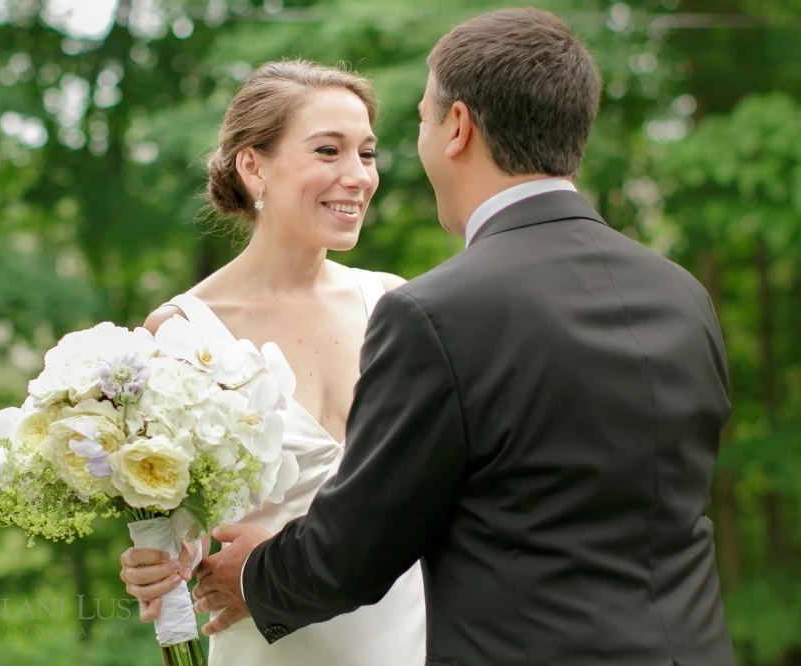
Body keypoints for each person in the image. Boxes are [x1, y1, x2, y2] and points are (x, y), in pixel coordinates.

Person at [192, 8, 737, 666]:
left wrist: (253, 576)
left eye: (420, 119)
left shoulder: (435, 313)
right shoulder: (680, 295)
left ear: (457, 127)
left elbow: (354, 551)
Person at [117, 60, 427, 665]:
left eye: (366, 153)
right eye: (328, 150)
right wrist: (158, 563)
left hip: (412, 633)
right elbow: (175, 522)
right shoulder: (180, 333)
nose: (357, 176)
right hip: (268, 642)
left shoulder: (394, 303)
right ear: (253, 164)